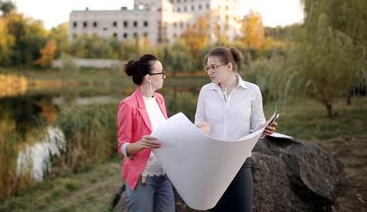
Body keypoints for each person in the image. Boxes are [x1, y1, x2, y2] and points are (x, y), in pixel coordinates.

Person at [194, 46, 277, 212]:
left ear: (229, 67)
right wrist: (201, 129)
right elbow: (199, 122)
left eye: (214, 67)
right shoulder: (206, 91)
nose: (209, 71)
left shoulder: (252, 91)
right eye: (207, 67)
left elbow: (257, 125)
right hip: (213, 163)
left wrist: (265, 130)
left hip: (240, 162)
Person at [117, 54, 175, 212]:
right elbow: (122, 146)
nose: (164, 76)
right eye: (161, 72)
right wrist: (141, 144)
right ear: (149, 78)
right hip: (142, 178)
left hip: (164, 175)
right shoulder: (128, 105)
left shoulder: (160, 99)